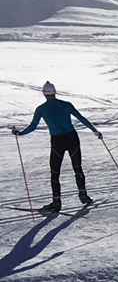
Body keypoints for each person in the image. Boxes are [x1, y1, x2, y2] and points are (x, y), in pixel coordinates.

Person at [12, 82, 98, 214]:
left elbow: (33, 126)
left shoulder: (41, 109)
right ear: (54, 92)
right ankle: (84, 196)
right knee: (77, 168)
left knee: (55, 172)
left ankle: (56, 202)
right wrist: (95, 131)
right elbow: (81, 118)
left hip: (57, 141)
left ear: (44, 94)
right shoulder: (66, 105)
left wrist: (19, 133)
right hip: (72, 138)